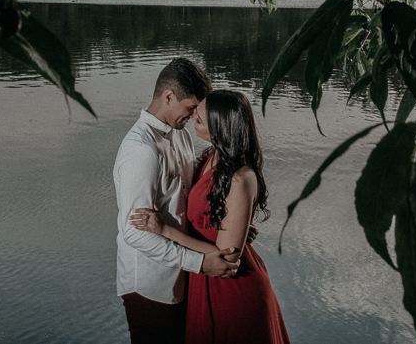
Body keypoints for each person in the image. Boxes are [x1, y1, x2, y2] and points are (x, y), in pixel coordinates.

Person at [129, 89, 291, 344]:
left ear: (221, 126)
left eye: (200, 117)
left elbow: (228, 257)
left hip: (231, 287)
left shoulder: (240, 178)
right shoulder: (209, 158)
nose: (193, 116)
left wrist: (165, 230)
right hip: (202, 278)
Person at [114, 59, 241, 344]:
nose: (195, 116)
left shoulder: (180, 134)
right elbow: (134, 232)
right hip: (149, 282)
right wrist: (199, 263)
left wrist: (230, 223)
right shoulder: (140, 150)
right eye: (191, 108)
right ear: (168, 96)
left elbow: (189, 193)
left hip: (180, 276)